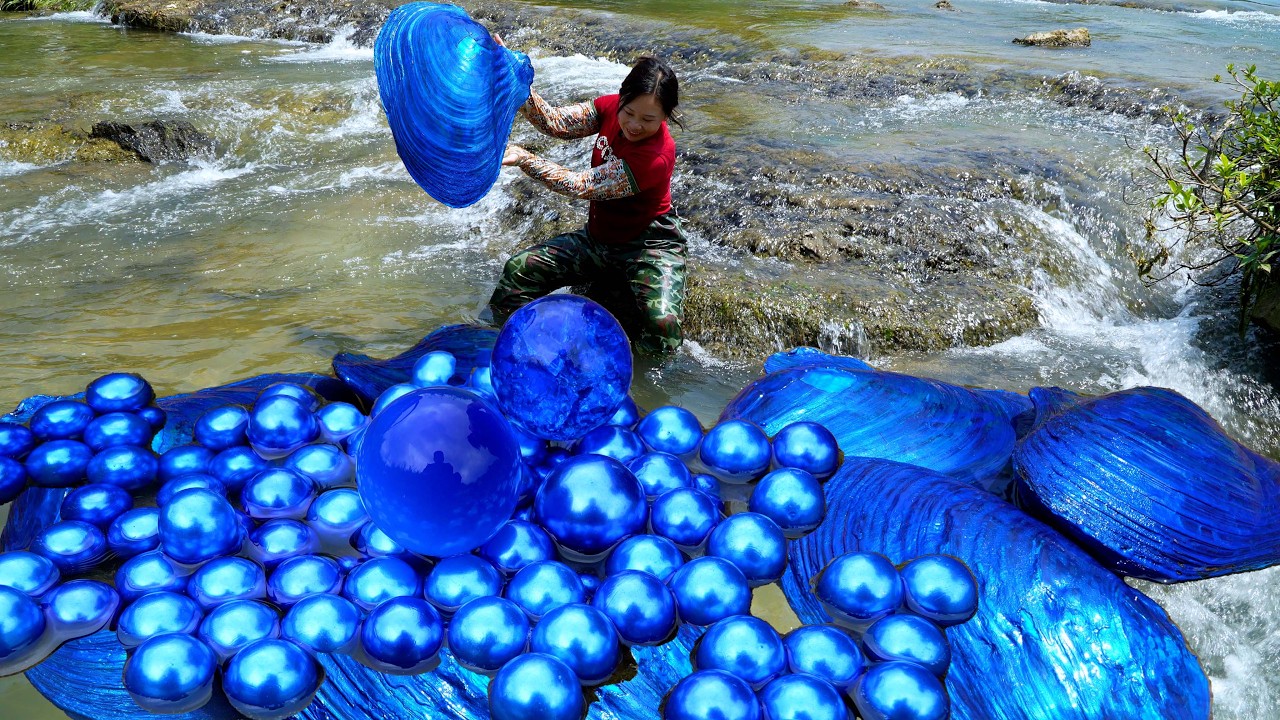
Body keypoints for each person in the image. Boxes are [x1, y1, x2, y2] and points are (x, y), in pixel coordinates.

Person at [486, 48, 688, 357]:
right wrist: (515, 81)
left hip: (649, 244)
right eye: (629, 112)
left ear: (666, 115)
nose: (634, 125)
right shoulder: (609, 107)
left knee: (663, 326)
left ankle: (639, 377)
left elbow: (581, 185)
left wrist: (526, 159)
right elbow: (555, 123)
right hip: (599, 239)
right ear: (621, 98)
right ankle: (503, 346)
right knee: (518, 271)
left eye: (648, 119)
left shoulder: (656, 156)